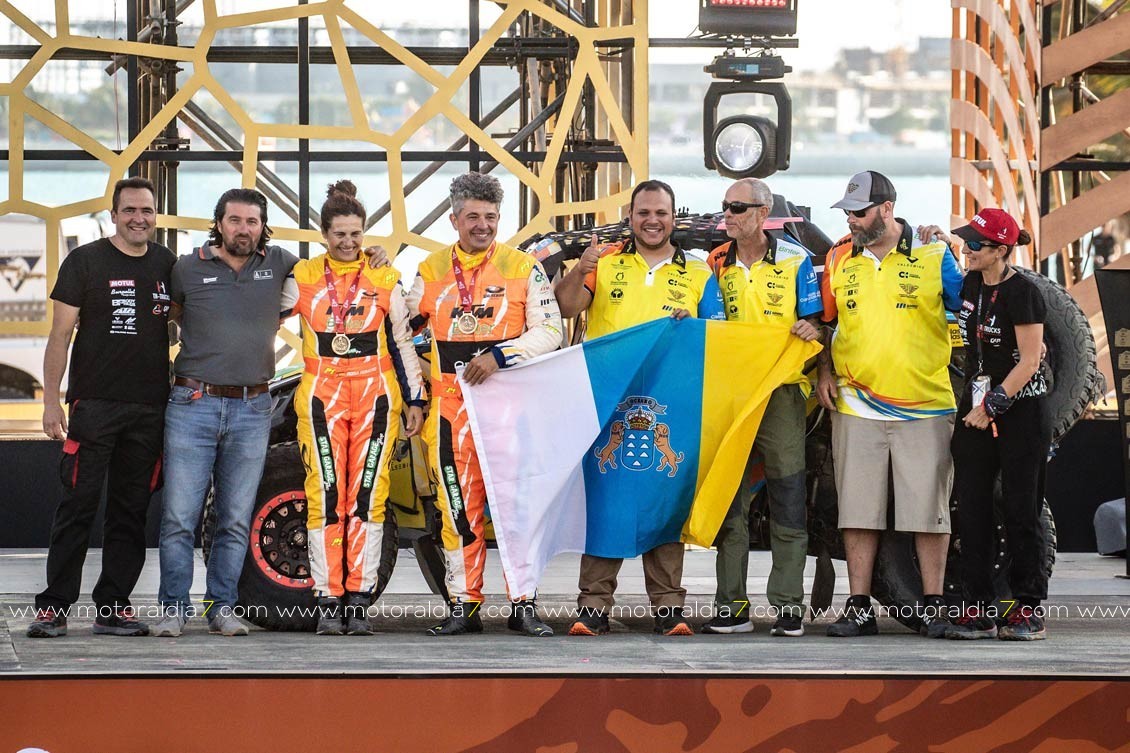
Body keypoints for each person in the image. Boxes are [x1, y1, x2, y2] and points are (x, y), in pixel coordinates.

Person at [555, 179, 726, 636]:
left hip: (672, 403)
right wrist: (580, 269)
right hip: (608, 400)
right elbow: (568, 307)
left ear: (675, 217)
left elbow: (720, 336)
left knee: (665, 496)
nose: (652, 220)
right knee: (605, 499)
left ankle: (668, 608)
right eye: (643, 212)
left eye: (661, 213)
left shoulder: (699, 273)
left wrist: (694, 327)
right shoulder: (605, 262)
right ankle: (593, 606)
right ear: (630, 217)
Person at [407, 172, 563, 636]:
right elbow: (398, 331)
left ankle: (524, 604)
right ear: (454, 219)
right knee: (457, 507)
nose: (483, 225)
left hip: (510, 408)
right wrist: (416, 394)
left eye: (491, 217)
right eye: (472, 216)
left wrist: (499, 356)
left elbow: (551, 331)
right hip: (450, 410)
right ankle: (464, 605)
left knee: (518, 507)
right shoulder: (431, 270)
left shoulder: (522, 267)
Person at [815, 170, 963, 638]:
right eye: (848, 213)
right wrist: (823, 369)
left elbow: (976, 306)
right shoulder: (839, 258)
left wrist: (961, 251)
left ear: (886, 209)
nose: (852, 221)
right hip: (856, 403)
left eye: (859, 213)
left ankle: (935, 605)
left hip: (925, 404)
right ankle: (859, 608)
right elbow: (823, 323)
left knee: (929, 510)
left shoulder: (934, 252)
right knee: (858, 510)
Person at [27, 178, 174, 639]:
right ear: (113, 215)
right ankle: (54, 607)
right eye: (129, 210)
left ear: (155, 215)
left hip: (150, 408)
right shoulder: (84, 261)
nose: (138, 218)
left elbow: (186, 326)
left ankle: (113, 606)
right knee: (78, 506)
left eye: (146, 210)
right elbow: (59, 338)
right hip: (92, 407)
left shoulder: (168, 264)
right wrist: (52, 401)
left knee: (130, 512)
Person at [153, 188, 298, 637]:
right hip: (192, 405)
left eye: (252, 222)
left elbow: (336, 265)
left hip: (253, 407)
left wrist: (372, 253)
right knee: (180, 517)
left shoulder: (280, 263)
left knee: (235, 518)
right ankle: (173, 609)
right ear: (218, 223)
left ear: (262, 226)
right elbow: (166, 319)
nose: (243, 229)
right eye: (234, 220)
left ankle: (222, 607)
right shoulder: (186, 267)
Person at [290, 181, 426, 635]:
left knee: (369, 495)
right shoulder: (304, 275)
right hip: (321, 396)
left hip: (376, 396)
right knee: (325, 494)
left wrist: (415, 399)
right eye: (339, 234)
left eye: (355, 234)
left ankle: (359, 599)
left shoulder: (386, 277)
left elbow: (404, 341)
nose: (348, 242)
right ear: (324, 234)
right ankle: (328, 598)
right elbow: (258, 311)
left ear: (365, 232)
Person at [917, 209, 1050, 641]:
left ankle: (1028, 608)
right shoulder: (973, 280)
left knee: (1020, 510)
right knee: (970, 510)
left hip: (1021, 414)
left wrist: (993, 403)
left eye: (976, 244)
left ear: (1002, 251)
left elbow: (1031, 359)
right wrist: (943, 241)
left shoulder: (1024, 293)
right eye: (966, 241)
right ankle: (977, 608)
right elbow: (959, 268)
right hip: (975, 411)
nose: (968, 249)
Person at [701, 178, 822, 637]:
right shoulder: (716, 263)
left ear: (763, 210)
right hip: (732, 395)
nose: (727, 215)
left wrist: (813, 331)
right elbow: (711, 326)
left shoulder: (795, 259)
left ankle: (789, 606)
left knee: (787, 497)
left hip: (782, 394)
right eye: (725, 207)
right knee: (730, 500)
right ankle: (730, 605)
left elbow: (815, 320)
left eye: (737, 207)